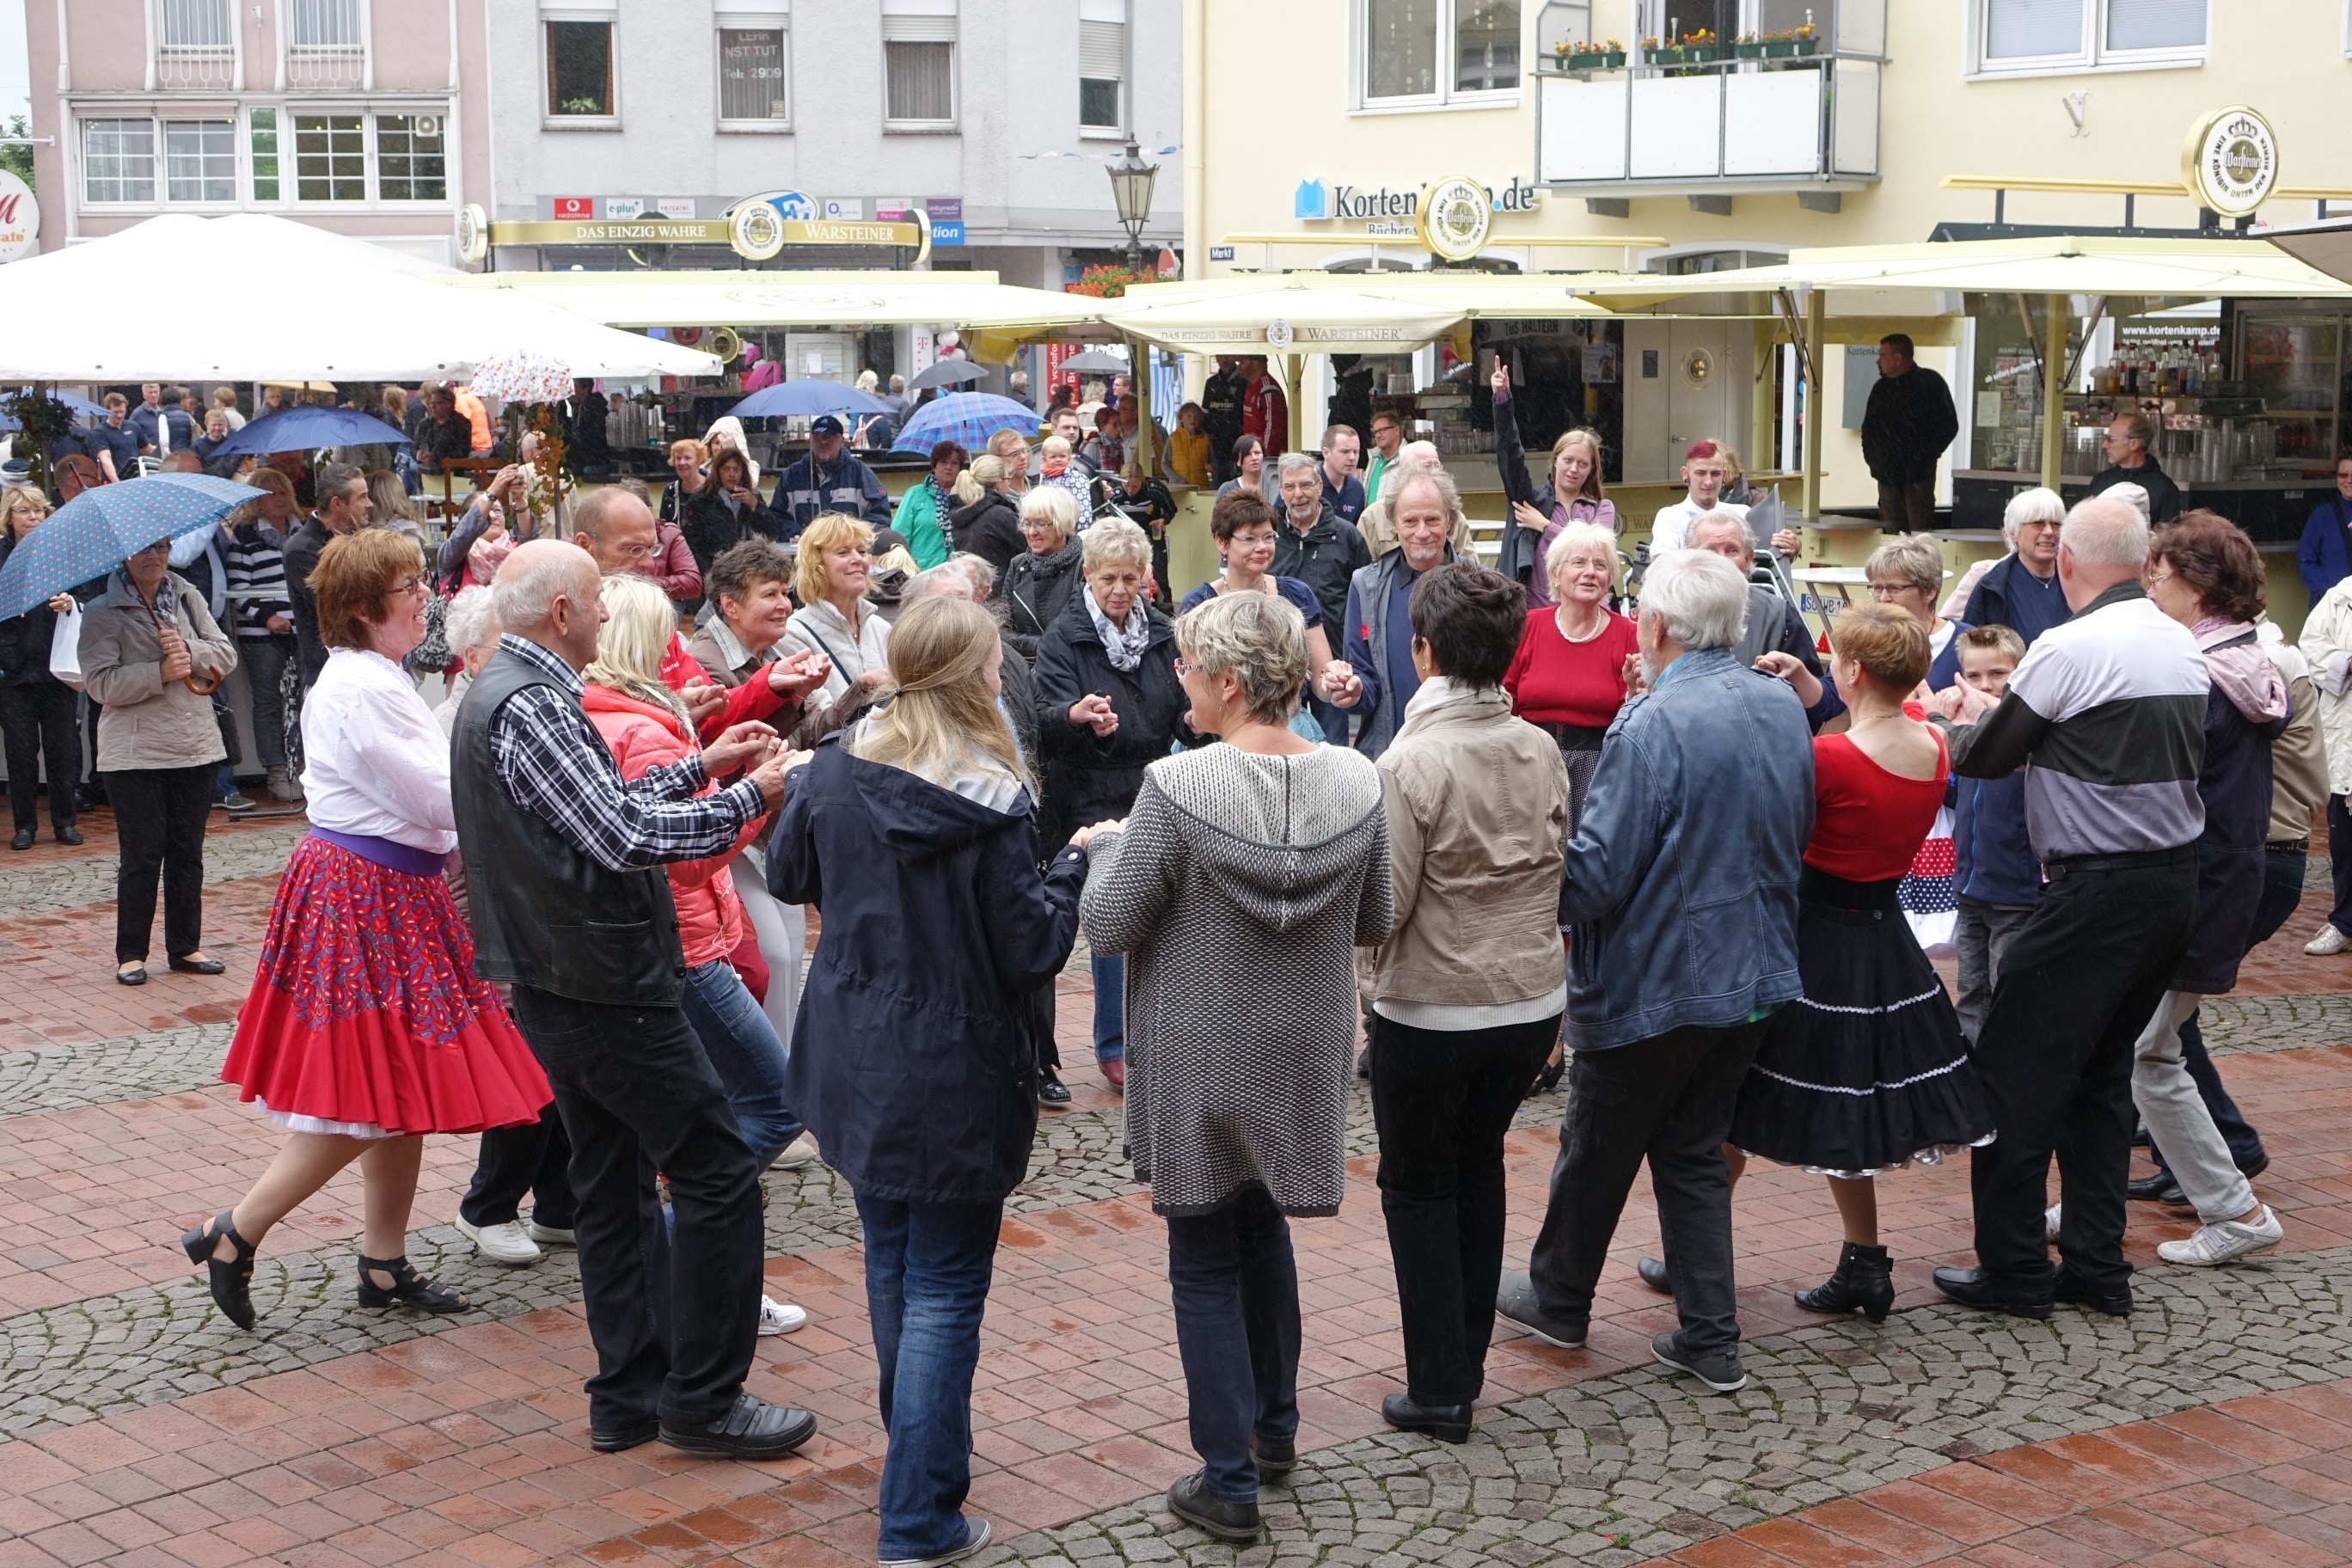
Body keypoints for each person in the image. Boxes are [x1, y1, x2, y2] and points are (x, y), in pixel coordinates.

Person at [448, 539, 817, 1460]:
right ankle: (705, 1398)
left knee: (610, 1187)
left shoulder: (510, 689)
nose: (609, 616)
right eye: (597, 602)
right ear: (562, 613)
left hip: (559, 979)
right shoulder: (532, 702)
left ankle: (631, 1394)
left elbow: (589, 807)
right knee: (715, 1170)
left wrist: (702, 764)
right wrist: (750, 796)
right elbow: (619, 835)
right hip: (602, 983)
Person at [769, 594, 1090, 1565]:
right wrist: (1075, 868)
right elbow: (1031, 948)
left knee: (893, 1261)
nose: (1002, 676)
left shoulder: (836, 768)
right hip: (953, 1065)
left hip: (860, 1052)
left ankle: (922, 1460)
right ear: (968, 678)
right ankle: (916, 1513)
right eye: (993, 664)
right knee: (942, 1284)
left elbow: (788, 875)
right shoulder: (993, 798)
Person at [1080, 590, 1389, 1541]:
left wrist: (1105, 850)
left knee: (1205, 1255)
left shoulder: (1175, 787)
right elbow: (1376, 919)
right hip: (1303, 1043)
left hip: (1201, 1044)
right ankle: (1274, 1432)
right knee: (1263, 1232)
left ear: (1226, 681)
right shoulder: (1357, 779)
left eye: (1186, 667)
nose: (1179, 681)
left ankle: (1228, 1480)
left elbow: (1108, 923)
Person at [194, 530, 551, 1329]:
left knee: (400, 1084)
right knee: (370, 1093)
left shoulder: (375, 676)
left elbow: (437, 803)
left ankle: (383, 1264)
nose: (423, 596)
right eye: (407, 587)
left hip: (387, 886)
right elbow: (440, 797)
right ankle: (236, 1230)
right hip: (368, 891)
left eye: (419, 582)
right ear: (362, 609)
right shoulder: (363, 686)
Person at [1494, 548, 1812, 1396]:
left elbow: (1595, 877)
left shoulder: (1650, 721)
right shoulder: (1779, 702)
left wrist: (1533, 852)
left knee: (1599, 1145)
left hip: (1658, 977)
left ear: (1658, 625)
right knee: (1692, 1146)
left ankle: (1561, 1297)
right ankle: (1709, 1335)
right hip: (1753, 971)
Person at [1928, 496, 2208, 1320]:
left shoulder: (2068, 644)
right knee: (2101, 1081)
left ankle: (2015, 1271)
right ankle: (2094, 1264)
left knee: (2011, 1080)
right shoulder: (2178, 641)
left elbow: (1991, 756)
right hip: (2170, 887)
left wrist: (1943, 722)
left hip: (2094, 890)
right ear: (2143, 563)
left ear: (2071, 563)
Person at [1724, 603, 1995, 1322]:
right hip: (1882, 936)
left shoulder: (1829, 757)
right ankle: (1864, 1263)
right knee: (1847, 1103)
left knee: (1736, 1095)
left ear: (1852, 670)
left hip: (1812, 936)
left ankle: (1701, 1252)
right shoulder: (1934, 743)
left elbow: (1772, 838)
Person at [579, 573, 815, 1338]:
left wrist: (716, 758)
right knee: (770, 1107)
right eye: (666, 638)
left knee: (694, 1125)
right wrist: (761, 796)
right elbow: (682, 859)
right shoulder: (641, 728)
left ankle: (694, 1274)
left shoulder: (610, 712)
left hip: (666, 946)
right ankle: (682, 1264)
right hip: (687, 948)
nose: (678, 649)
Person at [1369, 563, 1566, 1442]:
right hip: (1528, 1000)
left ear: (1423, 652)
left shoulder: (1409, 761)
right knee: (1479, 1166)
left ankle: (1440, 1386)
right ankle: (1465, 1364)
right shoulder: (1539, 747)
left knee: (1418, 1188)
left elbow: (1386, 906)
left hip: (1434, 1006)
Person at [2088, 512, 2285, 1268]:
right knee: (2139, 1046)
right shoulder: (2237, 660)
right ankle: (2102, 1195)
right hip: (2214, 878)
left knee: (2146, 1051)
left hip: (2199, 882)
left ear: (2198, 586)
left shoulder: (2202, 672)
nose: (2151, 588)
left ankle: (2234, 1210)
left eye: (2161, 576)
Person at [1033, 518, 1194, 1091]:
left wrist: (1195, 721)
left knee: (1164, 918)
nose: (1120, 590)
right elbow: (1044, 719)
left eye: (1130, 578)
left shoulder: (1164, 633)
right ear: (1087, 575)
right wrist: (1076, 716)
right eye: (1109, 579)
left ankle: (1160, 1035)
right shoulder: (1065, 636)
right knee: (1111, 913)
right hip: (1086, 790)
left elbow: (1181, 706)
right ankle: (1113, 1044)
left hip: (1150, 786)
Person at [79, 536, 239, 984]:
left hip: (195, 746)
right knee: (142, 856)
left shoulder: (187, 595)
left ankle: (185, 947)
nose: (154, 556)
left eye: (163, 547)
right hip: (135, 754)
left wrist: (188, 651)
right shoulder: (101, 612)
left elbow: (225, 654)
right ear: (124, 555)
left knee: (187, 854)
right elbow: (100, 684)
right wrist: (158, 672)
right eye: (144, 548)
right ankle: (131, 954)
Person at [1865, 535, 1968, 948]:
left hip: (1947, 801)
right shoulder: (1867, 641)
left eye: (1894, 587)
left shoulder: (1965, 644)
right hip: (1885, 793)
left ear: (1929, 591)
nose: (1882, 597)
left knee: (1942, 937)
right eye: (1875, 587)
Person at [1502, 524, 1638, 833]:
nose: (1590, 572)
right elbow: (1505, 698)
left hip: (1598, 769)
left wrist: (1632, 690)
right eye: (1579, 562)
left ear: (1609, 578)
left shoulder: (1628, 634)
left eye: (1600, 565)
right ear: (1555, 574)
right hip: (1530, 763)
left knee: (1586, 854)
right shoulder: (1526, 625)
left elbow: (1632, 716)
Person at [1320, 467, 1462, 761]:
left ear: (1449, 521)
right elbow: (1362, 672)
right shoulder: (1366, 586)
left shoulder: (1479, 587)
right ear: (1393, 524)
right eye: (1410, 521)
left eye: (1432, 520)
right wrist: (1354, 689)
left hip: (1459, 753)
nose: (1422, 532)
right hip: (1390, 755)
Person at [1946, 625, 2037, 1045]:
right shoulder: (1966, 730)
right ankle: (1971, 1065)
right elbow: (1955, 796)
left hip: (2016, 893)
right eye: (1974, 676)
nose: (1985, 685)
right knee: (1970, 989)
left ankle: (2006, 1068)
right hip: (1970, 887)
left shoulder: (2028, 737)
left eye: (1998, 674)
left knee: (2008, 990)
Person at [1180, 489, 1340, 708]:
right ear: (1221, 542)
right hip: (1223, 721)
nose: (1262, 547)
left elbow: (1321, 680)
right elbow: (1192, 685)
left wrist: (1336, 682)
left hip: (1288, 719)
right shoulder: (1200, 604)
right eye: (1249, 539)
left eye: (1268, 537)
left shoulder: (1296, 595)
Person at [1490, 361, 1618, 609]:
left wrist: (1544, 526)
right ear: (1555, 461)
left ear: (1592, 469)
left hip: (1589, 615)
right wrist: (1502, 402)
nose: (1574, 469)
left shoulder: (1602, 508)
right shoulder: (1530, 503)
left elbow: (1592, 551)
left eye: (1583, 464)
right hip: (1539, 615)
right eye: (1568, 460)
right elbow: (1510, 455)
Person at [0, 487, 87, 848]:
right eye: (24, 511)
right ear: (9, 518)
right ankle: (25, 826)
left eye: (39, 510)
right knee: (20, 754)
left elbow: (88, 595)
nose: (33, 517)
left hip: (57, 666)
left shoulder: (60, 553)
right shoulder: (2, 555)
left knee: (61, 750)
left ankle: (64, 822)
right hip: (13, 671)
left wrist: (70, 601)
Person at [221, 472, 302, 803]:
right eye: (270, 494)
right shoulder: (244, 538)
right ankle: (276, 771)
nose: (279, 499)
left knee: (303, 701)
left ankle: (302, 767)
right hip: (260, 635)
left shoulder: (301, 532)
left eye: (283, 492)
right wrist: (267, 617)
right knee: (268, 703)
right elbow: (238, 591)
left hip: (301, 633)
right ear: (256, 500)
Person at [781, 512, 892, 714]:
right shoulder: (794, 634)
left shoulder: (882, 629)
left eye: (862, 551)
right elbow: (817, 719)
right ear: (816, 565)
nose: (858, 559)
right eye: (843, 552)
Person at [2300, 570, 2352, 956]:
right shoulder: (2340, 597)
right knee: (2344, 840)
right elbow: (2310, 645)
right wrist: (2346, 663)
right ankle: (2345, 923)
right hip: (2345, 735)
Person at [283, 462, 372, 689]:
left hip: (366, 669)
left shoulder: (359, 539)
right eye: (362, 497)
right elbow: (342, 610)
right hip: (330, 679)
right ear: (337, 504)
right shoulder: (301, 549)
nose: (369, 504)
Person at [1859, 334, 1959, 530]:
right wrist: (1875, 462)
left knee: (1919, 535)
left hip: (1918, 478)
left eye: (1882, 355)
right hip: (1887, 477)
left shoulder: (1930, 383)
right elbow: (1868, 430)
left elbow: (1948, 425)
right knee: (1891, 536)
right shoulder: (1881, 389)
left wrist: (1925, 456)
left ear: (1898, 358)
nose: (1877, 360)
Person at [1962, 486, 2071, 648]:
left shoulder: (2079, 578)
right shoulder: (1992, 588)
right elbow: (1971, 649)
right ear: (2014, 533)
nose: (2049, 532)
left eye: (2056, 524)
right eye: (2038, 523)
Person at [1001, 486, 1085, 664]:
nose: (1031, 532)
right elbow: (1002, 631)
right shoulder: (1018, 566)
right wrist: (1041, 646)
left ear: (1061, 523)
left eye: (1041, 523)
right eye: (1027, 523)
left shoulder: (1084, 566)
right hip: (1028, 671)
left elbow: (1086, 632)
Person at [776, 414, 891, 536]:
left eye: (830, 436)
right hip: (804, 548)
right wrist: (801, 532)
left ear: (841, 441)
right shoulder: (792, 475)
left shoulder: (859, 472)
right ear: (810, 440)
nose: (824, 441)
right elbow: (777, 518)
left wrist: (851, 536)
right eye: (818, 436)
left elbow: (879, 516)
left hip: (849, 547)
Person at [683, 446, 779, 582]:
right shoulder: (700, 501)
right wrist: (712, 574)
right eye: (726, 469)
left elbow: (772, 533)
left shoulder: (753, 497)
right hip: (714, 573)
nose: (732, 474)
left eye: (736, 469)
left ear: (743, 472)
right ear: (718, 472)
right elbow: (693, 546)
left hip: (749, 572)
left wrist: (755, 506)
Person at [1649, 441, 1748, 555]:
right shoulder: (1670, 517)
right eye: (1700, 473)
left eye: (1715, 474)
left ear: (1724, 475)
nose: (1708, 482)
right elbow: (1662, 560)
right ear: (1685, 474)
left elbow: (1755, 558)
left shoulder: (1742, 514)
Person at [2086, 413, 2181, 524]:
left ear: (2134, 443)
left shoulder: (2164, 488)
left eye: (2110, 439)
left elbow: (2167, 533)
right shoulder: (2100, 480)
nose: (2104, 445)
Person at [951, 454, 1026, 579]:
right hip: (1003, 585)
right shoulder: (1001, 515)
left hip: (973, 584)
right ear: (999, 483)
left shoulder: (960, 513)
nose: (1009, 483)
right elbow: (1029, 549)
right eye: (1007, 479)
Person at [891, 439, 963, 570]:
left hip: (956, 572)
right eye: (943, 462)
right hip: (921, 572)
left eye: (954, 463)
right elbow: (898, 536)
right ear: (934, 466)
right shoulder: (915, 494)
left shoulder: (965, 497)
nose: (948, 467)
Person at [2295, 455, 2352, 608]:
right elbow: (2305, 560)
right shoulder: (2321, 516)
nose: (2349, 480)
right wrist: (2327, 591)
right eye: (2343, 475)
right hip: (2330, 606)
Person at [1201, 356, 1245, 484]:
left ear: (1234, 356)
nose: (1224, 359)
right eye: (1220, 356)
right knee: (1219, 491)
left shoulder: (1243, 382)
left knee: (1238, 489)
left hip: (1239, 448)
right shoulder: (1211, 383)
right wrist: (1207, 456)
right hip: (1217, 450)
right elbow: (1206, 420)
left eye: (1227, 356)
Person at [413, 386, 476, 471]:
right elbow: (414, 446)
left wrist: (436, 457)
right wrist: (417, 454)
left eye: (437, 403)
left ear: (448, 404)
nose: (432, 407)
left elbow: (462, 453)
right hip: (426, 473)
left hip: (451, 473)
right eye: (431, 403)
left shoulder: (460, 423)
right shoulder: (425, 424)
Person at [1239, 356, 1287, 459]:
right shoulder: (1249, 386)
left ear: (1255, 363)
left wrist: (1264, 456)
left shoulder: (1267, 388)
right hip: (1253, 455)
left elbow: (1273, 427)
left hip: (1269, 460)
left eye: (1242, 362)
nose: (1239, 367)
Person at [1318, 423, 1366, 525]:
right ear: (1326, 453)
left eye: (1356, 452)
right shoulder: (1308, 484)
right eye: (1345, 452)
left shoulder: (1357, 489)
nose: (1352, 457)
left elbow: (1356, 531)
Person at [128, 383, 193, 456]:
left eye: (155, 392)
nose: (153, 395)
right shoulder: (137, 414)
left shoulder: (165, 412)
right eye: (150, 393)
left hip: (168, 454)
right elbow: (131, 436)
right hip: (148, 456)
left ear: (159, 394)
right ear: (144, 396)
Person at [659, 438, 709, 530]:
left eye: (687, 458)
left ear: (699, 460)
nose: (682, 463)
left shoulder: (713, 488)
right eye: (678, 458)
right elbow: (664, 529)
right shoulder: (670, 491)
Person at [567, 379, 611, 476]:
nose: (571, 389)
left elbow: (591, 435)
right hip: (585, 459)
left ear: (586, 389)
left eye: (575, 386)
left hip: (592, 460)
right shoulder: (578, 406)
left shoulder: (593, 407)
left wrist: (574, 446)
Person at [1363, 409, 1405, 505]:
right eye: (1375, 432)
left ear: (1396, 430)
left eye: (1381, 430)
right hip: (1370, 514)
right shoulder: (1373, 458)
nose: (1377, 435)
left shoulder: (1408, 457)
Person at [1170, 401, 1211, 487]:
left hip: (1200, 487)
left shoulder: (1206, 439)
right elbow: (1164, 464)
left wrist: (1211, 466)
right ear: (1181, 419)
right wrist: (1178, 479)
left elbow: (1212, 460)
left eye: (1196, 416)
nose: (1193, 419)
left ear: (1200, 420)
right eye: (1189, 416)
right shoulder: (1173, 438)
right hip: (1179, 488)